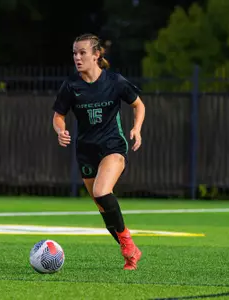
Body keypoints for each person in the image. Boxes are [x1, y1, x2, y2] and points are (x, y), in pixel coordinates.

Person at [52, 33, 146, 270]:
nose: (77, 57)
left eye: (82, 52)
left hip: (112, 146)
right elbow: (58, 116)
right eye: (74, 53)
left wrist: (136, 128)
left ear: (96, 55)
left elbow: (139, 104)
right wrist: (60, 130)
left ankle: (127, 243)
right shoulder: (71, 85)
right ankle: (131, 254)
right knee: (103, 208)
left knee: (102, 191)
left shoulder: (115, 81)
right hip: (86, 151)